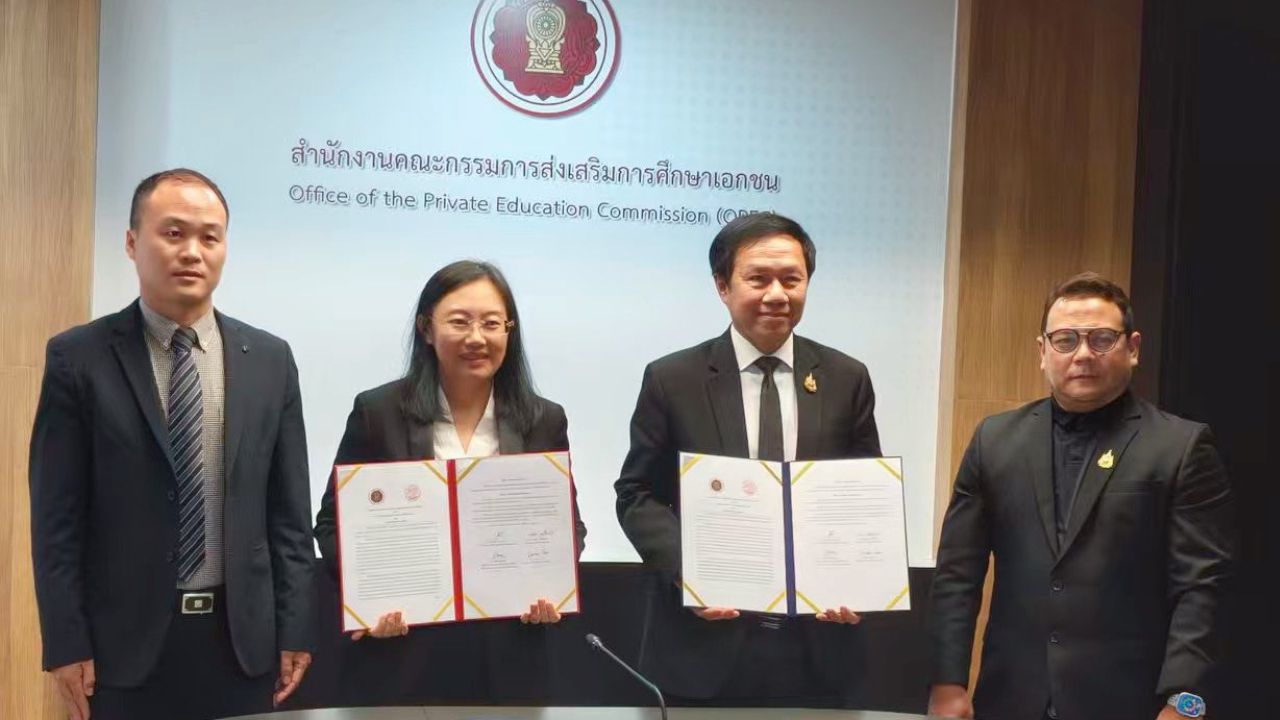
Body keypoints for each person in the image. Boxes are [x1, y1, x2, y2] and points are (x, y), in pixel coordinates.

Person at [29, 169, 315, 720]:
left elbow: (289, 516)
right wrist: (65, 640)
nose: (192, 252)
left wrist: (296, 627)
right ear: (132, 242)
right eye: (173, 233)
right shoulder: (79, 358)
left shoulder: (271, 359)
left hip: (242, 643)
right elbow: (56, 518)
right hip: (121, 647)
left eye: (210, 237)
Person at [929, 272, 1235, 720]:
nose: (1084, 354)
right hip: (1011, 698)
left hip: (1132, 703)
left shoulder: (1180, 447)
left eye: (1102, 339)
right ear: (1043, 351)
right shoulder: (994, 440)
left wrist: (1184, 702)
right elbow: (957, 574)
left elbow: (1202, 586)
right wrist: (947, 682)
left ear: (1133, 348)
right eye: (1066, 340)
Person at [613, 212, 880, 707]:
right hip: (703, 647)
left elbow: (863, 495)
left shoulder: (847, 378)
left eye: (791, 279)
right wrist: (690, 572)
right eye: (758, 279)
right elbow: (636, 494)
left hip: (818, 648)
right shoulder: (673, 379)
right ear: (722, 286)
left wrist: (858, 581)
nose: (777, 294)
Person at [313, 259, 586, 704]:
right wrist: (366, 599)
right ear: (426, 328)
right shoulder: (378, 412)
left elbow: (568, 527)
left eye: (491, 323)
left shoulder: (543, 419)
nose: (477, 338)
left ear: (509, 331)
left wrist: (551, 588)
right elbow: (331, 523)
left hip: (509, 655)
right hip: (401, 654)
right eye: (459, 322)